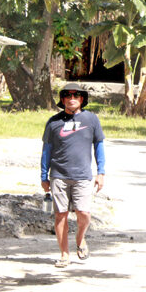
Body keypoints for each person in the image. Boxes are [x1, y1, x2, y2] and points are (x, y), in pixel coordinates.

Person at [41, 83, 106, 268]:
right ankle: (64, 254)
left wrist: (101, 172)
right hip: (59, 175)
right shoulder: (54, 122)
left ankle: (80, 238)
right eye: (68, 95)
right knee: (60, 215)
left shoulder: (91, 120)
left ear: (82, 99)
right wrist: (43, 176)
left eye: (76, 95)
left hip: (83, 176)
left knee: (83, 213)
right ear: (62, 100)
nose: (72, 98)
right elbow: (46, 150)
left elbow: (99, 146)